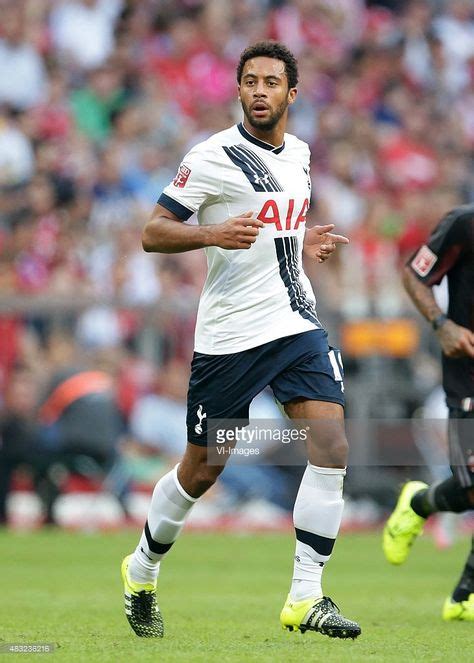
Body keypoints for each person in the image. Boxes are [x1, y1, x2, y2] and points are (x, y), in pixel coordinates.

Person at [121, 41, 361, 640]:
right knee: (204, 468)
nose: (259, 90)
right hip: (230, 338)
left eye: (271, 82)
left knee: (330, 441)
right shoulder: (212, 156)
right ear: (238, 90)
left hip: (295, 323)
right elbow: (154, 232)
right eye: (250, 81)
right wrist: (211, 234)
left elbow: (277, 227)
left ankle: (306, 596)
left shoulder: (301, 155)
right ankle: (142, 569)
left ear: (291, 94)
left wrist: (299, 245)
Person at [383, 204, 474, 621]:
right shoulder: (464, 223)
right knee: (470, 487)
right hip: (467, 374)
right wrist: (442, 324)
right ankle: (419, 503)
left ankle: (464, 596)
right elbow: (414, 273)